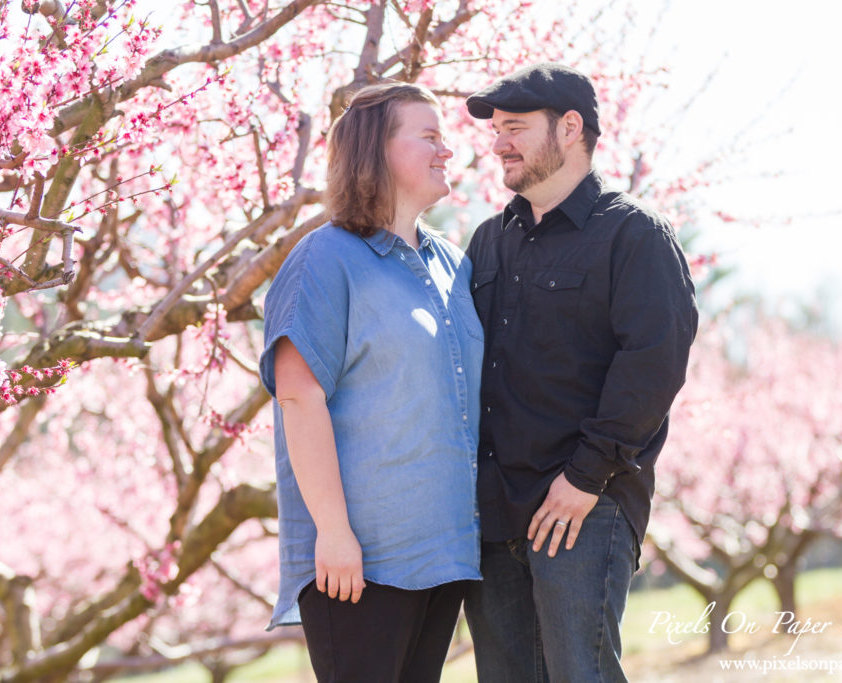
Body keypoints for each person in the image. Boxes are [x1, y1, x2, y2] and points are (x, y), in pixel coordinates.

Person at [461, 63, 699, 682]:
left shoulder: (634, 236)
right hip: (493, 513)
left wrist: (585, 477)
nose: (498, 142)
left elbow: (654, 364)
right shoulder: (487, 242)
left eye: (514, 127)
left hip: (582, 507)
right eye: (495, 130)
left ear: (570, 128)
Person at [258, 82, 484, 683]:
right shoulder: (324, 258)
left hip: (444, 553)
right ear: (375, 152)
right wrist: (332, 531)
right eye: (429, 137)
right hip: (360, 563)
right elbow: (298, 395)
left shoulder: (452, 264)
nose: (447, 151)